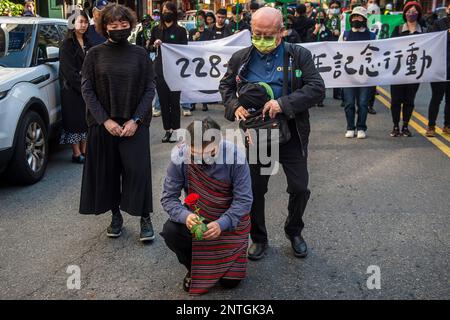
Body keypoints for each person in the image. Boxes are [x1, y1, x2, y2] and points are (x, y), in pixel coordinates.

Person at [220, 7, 325, 260]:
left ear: (282, 32)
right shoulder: (241, 58)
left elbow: (317, 88)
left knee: (299, 187)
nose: (262, 40)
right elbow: (225, 85)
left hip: (291, 132)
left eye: (269, 35)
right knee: (255, 189)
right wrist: (235, 107)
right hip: (258, 136)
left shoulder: (298, 55)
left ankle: (294, 230)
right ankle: (258, 237)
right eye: (257, 34)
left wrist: (283, 104)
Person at [79, 3, 156, 242]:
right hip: (105, 125)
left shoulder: (140, 54)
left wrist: (136, 120)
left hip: (135, 124)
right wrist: (105, 121)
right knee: (109, 173)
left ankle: (145, 217)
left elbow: (149, 88)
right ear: (104, 27)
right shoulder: (94, 54)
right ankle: (115, 216)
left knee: (138, 171)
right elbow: (87, 89)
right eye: (113, 25)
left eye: (123, 24)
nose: (119, 28)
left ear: (130, 25)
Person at [161, 118, 253, 295]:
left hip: (229, 224)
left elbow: (244, 200)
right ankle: (193, 267)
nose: (203, 159)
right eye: (196, 154)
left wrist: (222, 223)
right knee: (171, 230)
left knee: (230, 283)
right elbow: (168, 198)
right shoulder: (180, 157)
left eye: (210, 153)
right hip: (198, 222)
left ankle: (225, 261)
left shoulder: (235, 156)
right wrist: (186, 216)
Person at [149, 1, 188, 143]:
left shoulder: (181, 31)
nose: (166, 13)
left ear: (174, 13)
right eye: (163, 10)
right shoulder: (156, 30)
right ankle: (167, 130)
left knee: (174, 102)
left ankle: (176, 130)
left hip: (176, 72)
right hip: (160, 71)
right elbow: (149, 47)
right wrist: (155, 45)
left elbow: (185, 51)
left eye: (169, 10)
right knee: (164, 103)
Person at [59, 11, 91, 164]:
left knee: (85, 120)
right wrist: (84, 87)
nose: (83, 25)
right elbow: (69, 71)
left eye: (85, 22)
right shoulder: (66, 45)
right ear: (72, 23)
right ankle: (76, 153)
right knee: (74, 121)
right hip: (72, 89)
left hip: (88, 87)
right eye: (80, 22)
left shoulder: (88, 42)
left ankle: (84, 150)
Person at [389, 1, 424, 137]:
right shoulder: (398, 30)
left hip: (414, 72)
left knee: (409, 101)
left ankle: (406, 126)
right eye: (409, 11)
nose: (411, 13)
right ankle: (395, 125)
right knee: (396, 101)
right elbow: (390, 48)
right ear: (404, 13)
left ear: (419, 14)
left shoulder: (424, 32)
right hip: (398, 71)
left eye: (414, 11)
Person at [339, 6, 375, 139]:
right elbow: (338, 51)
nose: (355, 19)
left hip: (365, 75)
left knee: (363, 103)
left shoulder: (371, 35)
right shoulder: (345, 34)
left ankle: (361, 127)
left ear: (364, 19)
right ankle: (350, 127)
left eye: (359, 17)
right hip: (348, 76)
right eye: (353, 17)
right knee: (349, 103)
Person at [426, 3, 450, 137]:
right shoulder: (439, 23)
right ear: (447, 9)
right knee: (436, 98)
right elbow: (430, 38)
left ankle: (447, 125)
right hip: (440, 67)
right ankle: (431, 126)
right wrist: (446, 33)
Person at [307, 9, 332, 108]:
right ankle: (313, 98)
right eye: (318, 16)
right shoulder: (310, 29)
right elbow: (308, 41)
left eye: (322, 16)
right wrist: (315, 31)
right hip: (312, 58)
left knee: (323, 79)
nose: (319, 18)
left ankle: (321, 98)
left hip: (324, 59)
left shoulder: (328, 31)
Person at [326, 0, 343, 101]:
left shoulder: (343, 18)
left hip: (339, 47)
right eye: (332, 7)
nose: (334, 8)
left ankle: (337, 93)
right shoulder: (325, 18)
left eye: (336, 7)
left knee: (338, 68)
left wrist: (339, 31)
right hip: (327, 47)